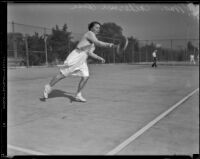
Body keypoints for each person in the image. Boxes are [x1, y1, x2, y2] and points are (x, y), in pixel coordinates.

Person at [43, 21, 116, 102]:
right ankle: (48, 87)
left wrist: (99, 58)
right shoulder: (89, 33)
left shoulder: (93, 41)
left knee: (86, 76)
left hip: (83, 59)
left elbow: (89, 53)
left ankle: (78, 95)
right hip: (76, 56)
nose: (98, 29)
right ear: (91, 28)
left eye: (99, 28)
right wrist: (108, 44)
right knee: (62, 75)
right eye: (96, 27)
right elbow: (98, 43)